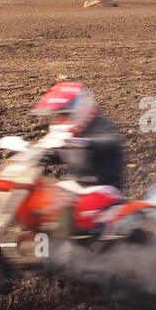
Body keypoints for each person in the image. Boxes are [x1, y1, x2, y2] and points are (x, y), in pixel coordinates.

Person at [31, 82, 126, 238]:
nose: (62, 119)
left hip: (103, 186)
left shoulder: (99, 124)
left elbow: (110, 141)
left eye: (65, 114)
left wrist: (84, 142)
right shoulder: (72, 133)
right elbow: (58, 151)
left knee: (64, 204)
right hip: (76, 185)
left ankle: (66, 244)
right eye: (60, 115)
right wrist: (42, 157)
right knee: (43, 198)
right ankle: (39, 237)